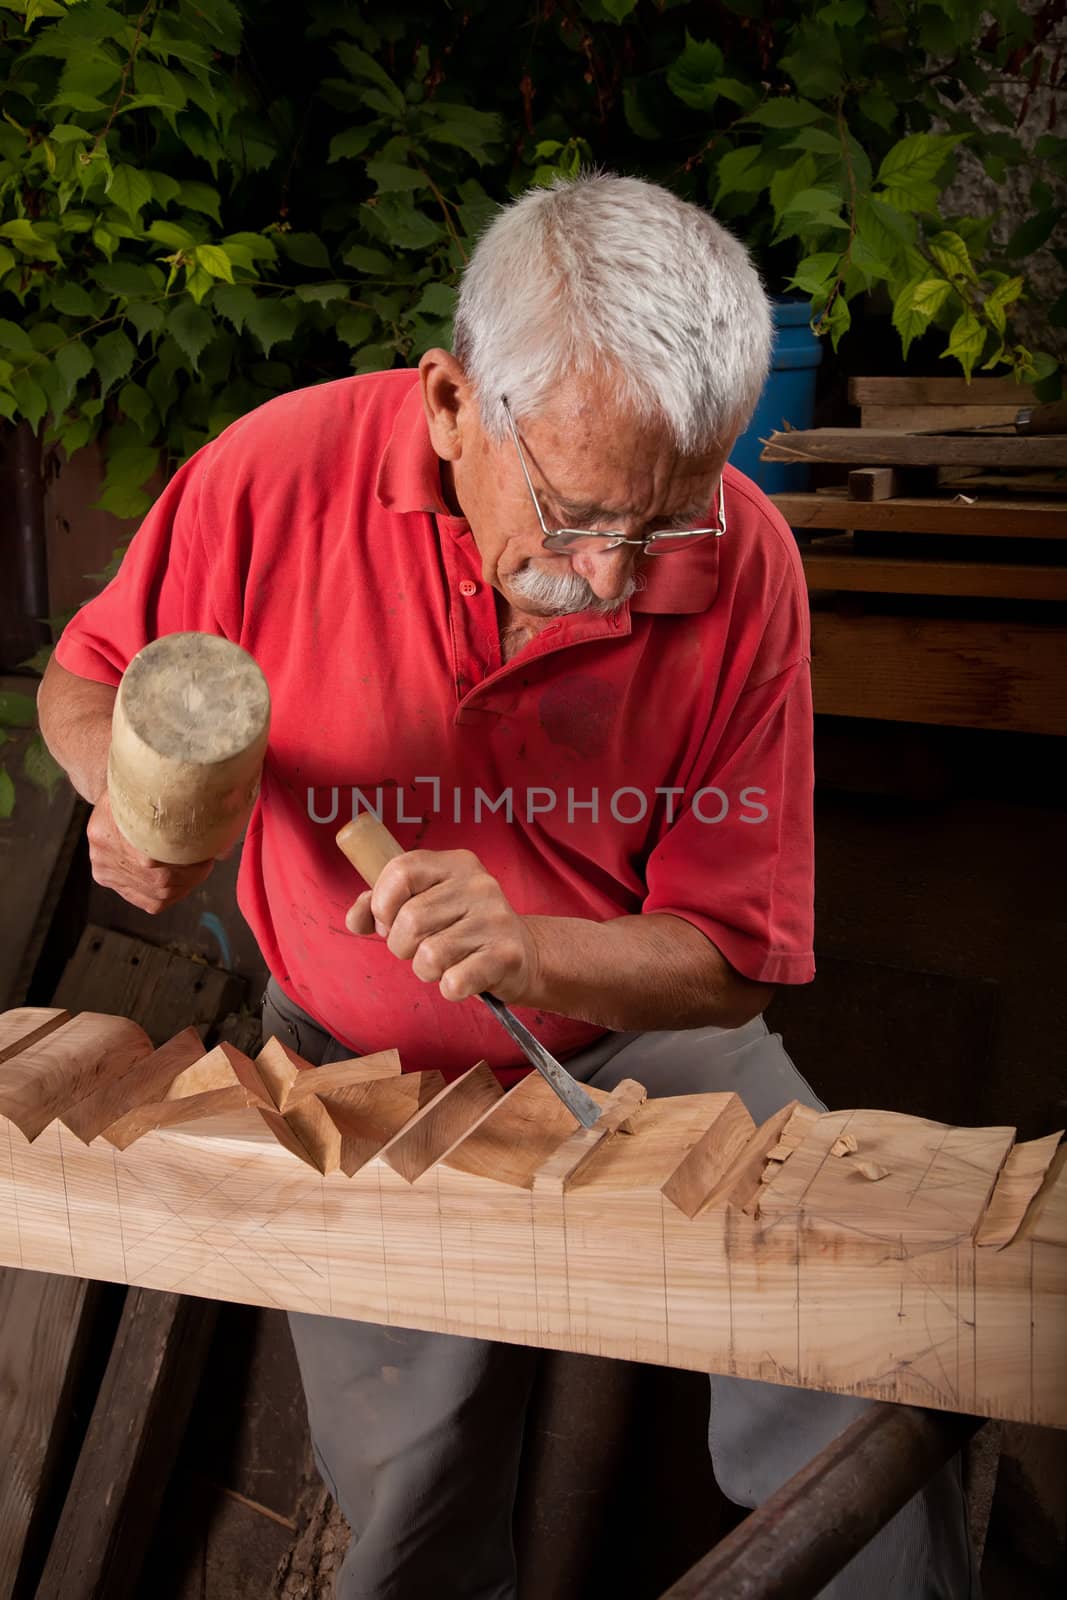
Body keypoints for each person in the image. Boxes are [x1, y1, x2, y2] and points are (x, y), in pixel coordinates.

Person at [39, 173, 977, 1599]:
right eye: (574, 512)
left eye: (657, 523)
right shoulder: (277, 474)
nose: (608, 575)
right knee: (415, 1516)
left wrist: (534, 949)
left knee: (853, 1359)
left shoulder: (745, 563)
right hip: (355, 1056)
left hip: (641, 1037)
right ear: (447, 402)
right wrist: (126, 792)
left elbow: (734, 956)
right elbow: (85, 682)